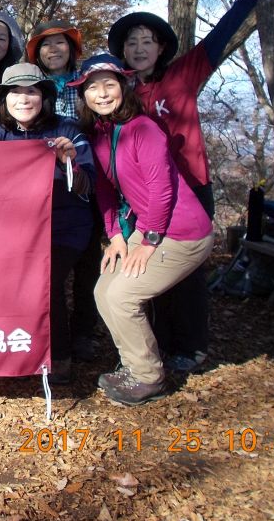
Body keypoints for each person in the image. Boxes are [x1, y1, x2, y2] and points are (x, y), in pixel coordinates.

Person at [107, 0, 274, 373]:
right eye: (132, 42)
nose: (139, 48)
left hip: (191, 188)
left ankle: (191, 346)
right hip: (146, 196)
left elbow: (220, 38)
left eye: (147, 41)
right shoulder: (122, 89)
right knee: (146, 269)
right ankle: (159, 342)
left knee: (185, 271)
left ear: (160, 48)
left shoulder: (183, 74)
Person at [70, 54, 213, 406]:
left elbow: (160, 188)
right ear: (84, 95)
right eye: (92, 88)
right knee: (103, 291)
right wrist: (116, 236)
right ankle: (134, 363)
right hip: (148, 228)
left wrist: (147, 241)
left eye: (109, 85)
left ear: (124, 87)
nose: (101, 94)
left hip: (181, 232)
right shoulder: (101, 133)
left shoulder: (143, 128)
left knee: (122, 296)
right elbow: (104, 189)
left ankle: (148, 376)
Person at [0, 63, 94, 384]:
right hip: (15, 233)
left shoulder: (69, 131)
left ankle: (58, 357)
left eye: (31, 91)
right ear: (4, 99)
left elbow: (88, 187)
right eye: (14, 92)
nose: (23, 99)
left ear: (44, 96)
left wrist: (70, 163)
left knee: (46, 283)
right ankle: (15, 350)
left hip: (65, 229)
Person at [27, 18, 100, 360]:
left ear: (72, 48)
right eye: (45, 44)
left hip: (90, 174)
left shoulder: (88, 82)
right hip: (51, 189)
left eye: (60, 43)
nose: (53, 50)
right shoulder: (31, 90)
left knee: (88, 266)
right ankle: (57, 341)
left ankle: (84, 333)